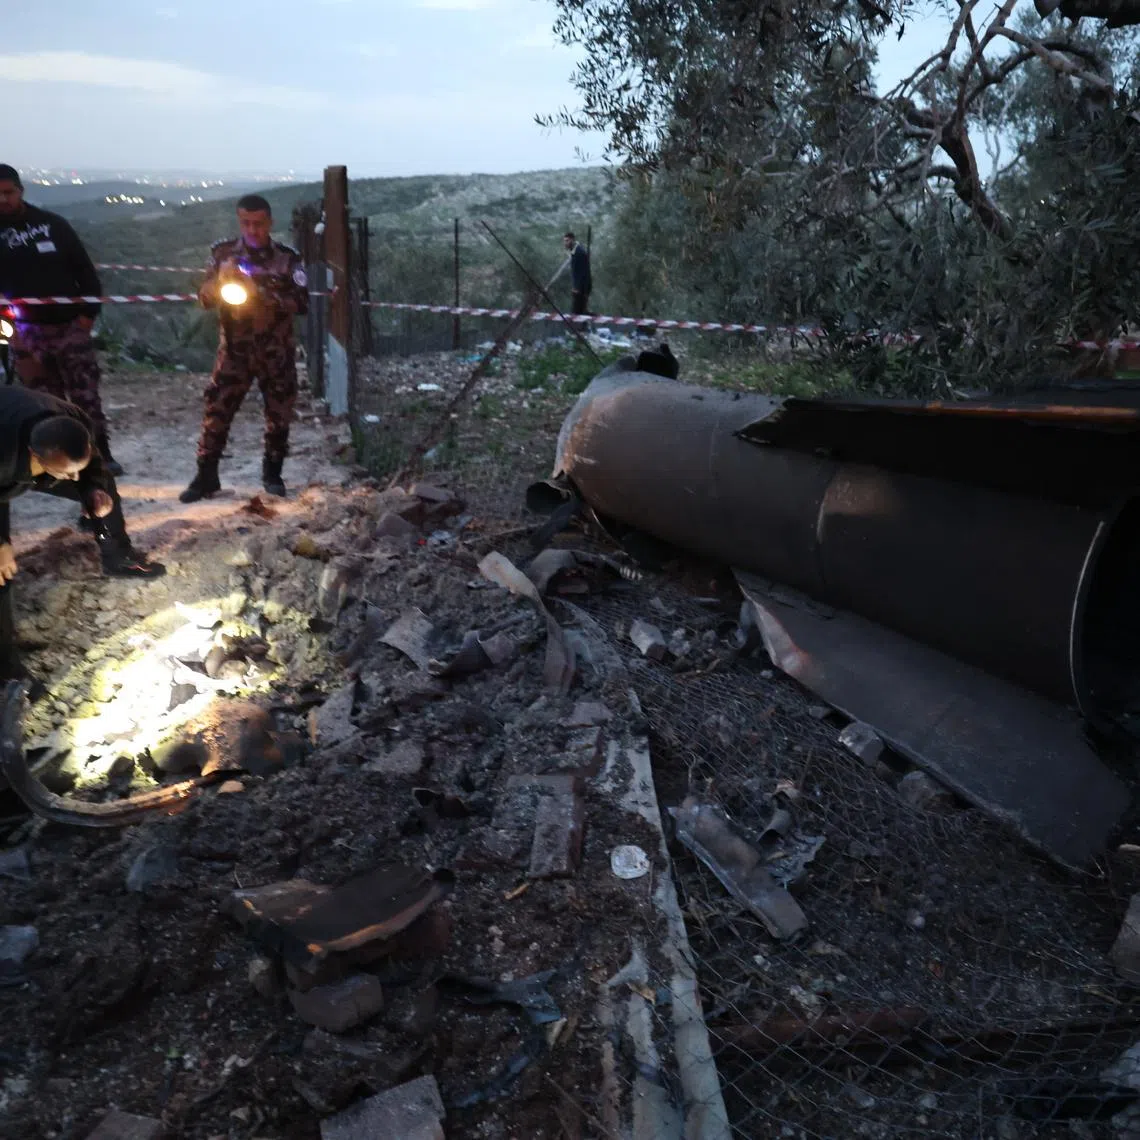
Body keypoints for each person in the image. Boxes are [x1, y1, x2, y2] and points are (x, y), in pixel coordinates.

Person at [0, 386, 165, 688]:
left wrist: (92, 489)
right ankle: (7, 671)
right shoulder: (5, 454)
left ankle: (118, 556)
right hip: (5, 454)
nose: (73, 479)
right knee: (1, 572)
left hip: (29, 446)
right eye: (66, 474)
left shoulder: (75, 422)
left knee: (102, 490)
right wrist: (1, 544)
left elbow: (93, 465)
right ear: (34, 456)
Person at [180, 194, 309, 503]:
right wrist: (218, 282)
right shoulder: (223, 254)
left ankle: (272, 474)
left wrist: (261, 294)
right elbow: (206, 298)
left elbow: (302, 303)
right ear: (240, 222)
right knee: (217, 410)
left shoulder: (287, 259)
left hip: (275, 351)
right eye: (246, 223)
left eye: (259, 224)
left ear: (269, 223)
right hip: (235, 351)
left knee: (278, 414)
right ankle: (206, 475)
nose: (252, 230)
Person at [0, 164, 124, 477]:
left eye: (8, 193)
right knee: (42, 402)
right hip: (25, 334)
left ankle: (100, 456)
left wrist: (85, 318)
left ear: (20, 191)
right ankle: (53, 464)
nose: (3, 199)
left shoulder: (53, 225)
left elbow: (85, 272)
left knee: (85, 398)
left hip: (70, 329)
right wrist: (11, 334)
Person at [562, 232, 592, 317]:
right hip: (580, 287)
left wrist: (577, 288)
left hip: (581, 288)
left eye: (567, 241)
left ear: (572, 240)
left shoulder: (579, 252)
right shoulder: (575, 251)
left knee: (576, 313)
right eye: (564, 241)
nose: (565, 243)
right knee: (579, 313)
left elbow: (583, 273)